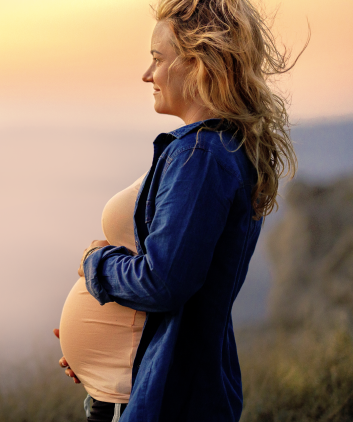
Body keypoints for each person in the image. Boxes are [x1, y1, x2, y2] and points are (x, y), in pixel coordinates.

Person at [57, 0, 301, 420]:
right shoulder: (209, 149)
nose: (147, 74)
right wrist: (102, 354)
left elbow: (163, 281)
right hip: (147, 386)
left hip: (170, 401)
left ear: (199, 65)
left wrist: (94, 262)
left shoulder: (201, 156)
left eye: (157, 59)